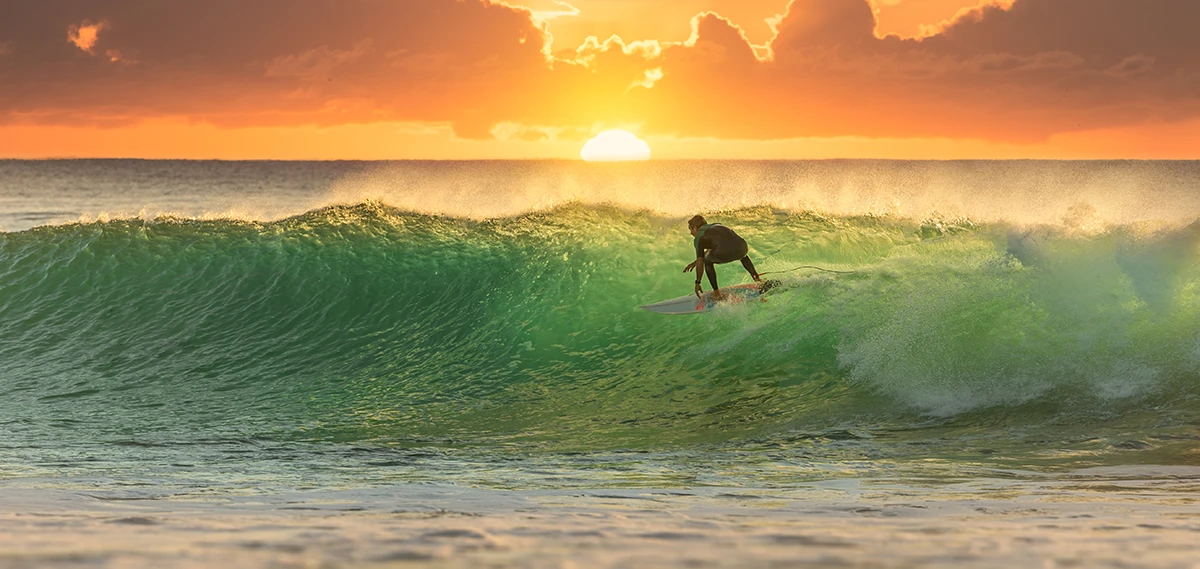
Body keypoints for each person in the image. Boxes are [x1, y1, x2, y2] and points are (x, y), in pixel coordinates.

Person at [683, 215, 761, 300]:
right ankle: (759, 281)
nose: (691, 233)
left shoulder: (699, 236)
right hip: (742, 247)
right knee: (743, 256)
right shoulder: (716, 225)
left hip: (724, 251)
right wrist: (695, 262)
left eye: (691, 229)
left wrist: (697, 283)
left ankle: (716, 294)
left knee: (707, 262)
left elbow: (701, 261)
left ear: (695, 228)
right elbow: (712, 248)